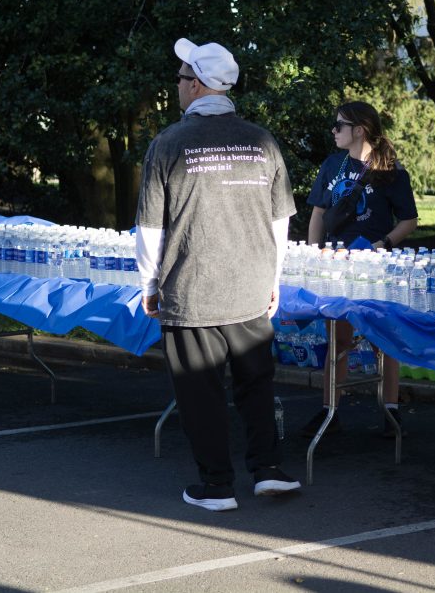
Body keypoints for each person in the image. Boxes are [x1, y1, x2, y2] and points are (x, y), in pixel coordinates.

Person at [136, 37, 301, 512]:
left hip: (192, 290)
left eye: (182, 78)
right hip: (250, 286)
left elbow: (150, 227)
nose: (178, 87)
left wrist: (149, 283)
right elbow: (279, 222)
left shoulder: (167, 143)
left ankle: (216, 485)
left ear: (198, 86)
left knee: (200, 391)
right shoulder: (261, 140)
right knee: (256, 382)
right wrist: (273, 279)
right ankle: (267, 470)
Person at [302, 101, 418, 438]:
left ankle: (390, 411)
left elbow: (409, 220)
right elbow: (318, 213)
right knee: (338, 338)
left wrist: (384, 244)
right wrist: (313, 255)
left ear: (360, 130)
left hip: (376, 265)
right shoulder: (332, 164)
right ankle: (330, 410)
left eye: (339, 125)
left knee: (385, 337)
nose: (333, 131)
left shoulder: (390, 171)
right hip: (336, 264)